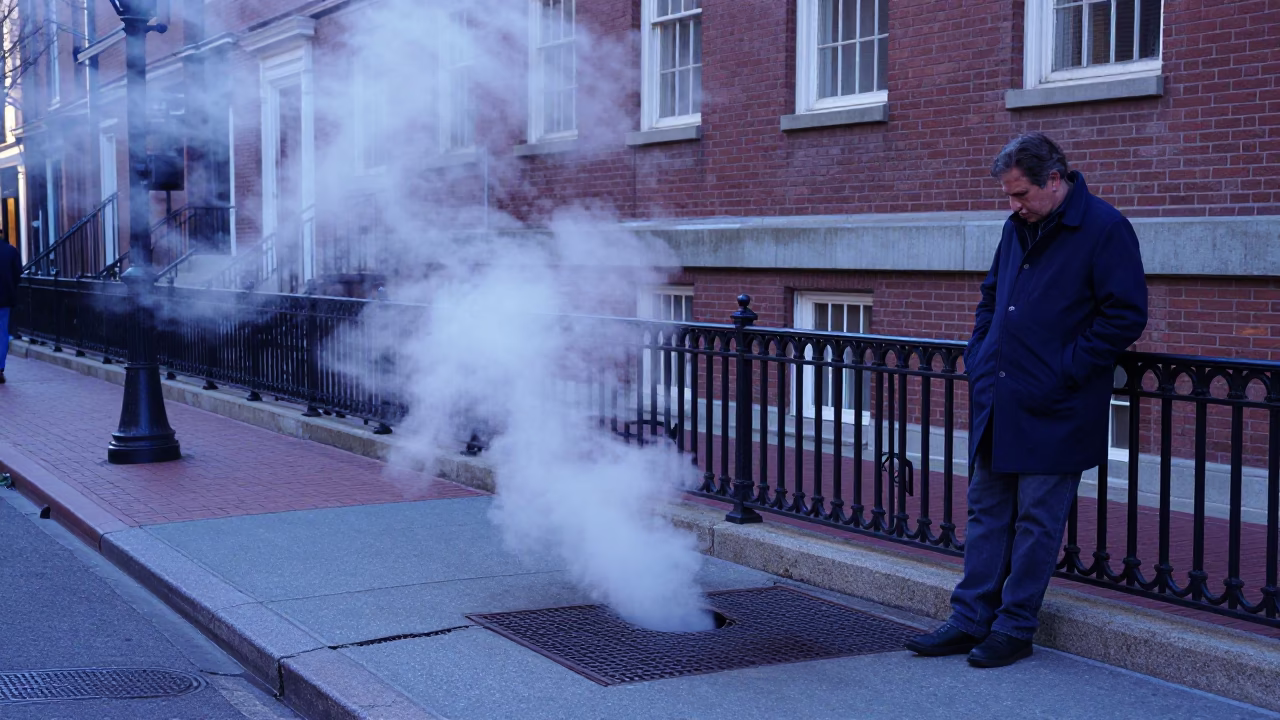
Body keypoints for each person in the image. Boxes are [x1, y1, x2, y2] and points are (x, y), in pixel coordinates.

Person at [904, 133, 1148, 667]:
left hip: (1058, 406)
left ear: (1055, 181)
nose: (1012, 205)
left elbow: (1125, 315)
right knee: (987, 513)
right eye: (1009, 196)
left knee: (1037, 522)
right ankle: (968, 620)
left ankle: (1014, 629)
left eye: (1020, 194)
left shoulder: (1106, 229)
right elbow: (991, 296)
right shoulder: (1017, 228)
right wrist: (981, 352)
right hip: (1001, 394)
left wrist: (1066, 370)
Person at [0, 239, 19, 384]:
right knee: (2, 334)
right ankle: (0, 368)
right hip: (5, 298)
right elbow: (18, 273)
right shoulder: (11, 251)